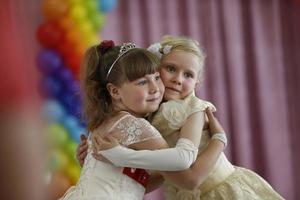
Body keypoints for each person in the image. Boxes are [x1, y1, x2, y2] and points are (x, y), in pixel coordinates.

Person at [82, 36, 284, 199]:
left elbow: (190, 177)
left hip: (220, 192)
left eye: (188, 75)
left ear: (197, 83)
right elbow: (152, 175)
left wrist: (219, 139)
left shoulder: (193, 110)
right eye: (170, 69)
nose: (177, 80)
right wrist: (99, 162)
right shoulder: (144, 114)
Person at [60, 40, 225, 200]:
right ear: (115, 91)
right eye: (142, 82)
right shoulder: (135, 125)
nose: (155, 88)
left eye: (156, 77)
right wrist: (219, 139)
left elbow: (134, 183)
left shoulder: (105, 121)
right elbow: (189, 179)